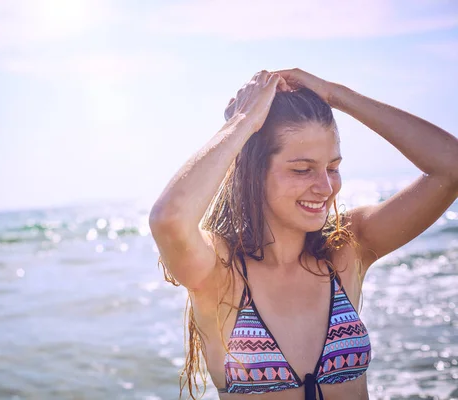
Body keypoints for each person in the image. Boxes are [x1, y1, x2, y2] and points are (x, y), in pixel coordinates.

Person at [148, 69, 458, 400]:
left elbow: (450, 167)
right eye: (302, 170)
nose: (325, 188)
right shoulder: (219, 273)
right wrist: (242, 122)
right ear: (254, 171)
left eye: (333, 168)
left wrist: (337, 95)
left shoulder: (346, 249)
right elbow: (169, 219)